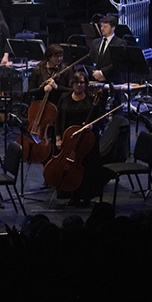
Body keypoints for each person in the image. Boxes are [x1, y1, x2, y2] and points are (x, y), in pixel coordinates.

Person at [53, 71, 103, 206]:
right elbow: (58, 119)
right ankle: (71, 193)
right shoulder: (64, 97)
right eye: (76, 82)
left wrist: (92, 126)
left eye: (82, 82)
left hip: (87, 142)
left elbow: (100, 120)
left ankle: (86, 195)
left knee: (86, 167)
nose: (79, 85)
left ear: (86, 84)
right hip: (68, 140)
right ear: (72, 83)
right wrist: (58, 138)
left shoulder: (92, 100)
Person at [90, 15, 124, 83]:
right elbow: (90, 60)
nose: (102, 28)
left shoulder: (120, 43)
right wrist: (96, 73)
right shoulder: (95, 42)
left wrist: (102, 73)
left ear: (113, 28)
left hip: (112, 80)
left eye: (105, 27)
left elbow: (117, 63)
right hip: (96, 79)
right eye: (101, 26)